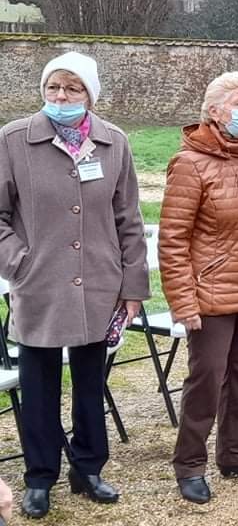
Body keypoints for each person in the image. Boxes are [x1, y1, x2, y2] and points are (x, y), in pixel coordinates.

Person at [0, 52, 148, 519]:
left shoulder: (113, 143)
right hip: (39, 284)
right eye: (53, 88)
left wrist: (133, 287)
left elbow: (129, 220)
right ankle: (39, 476)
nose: (61, 97)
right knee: (39, 382)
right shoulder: (13, 140)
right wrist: (20, 264)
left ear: (90, 94)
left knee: (90, 381)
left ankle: (88, 468)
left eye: (72, 88)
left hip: (100, 284)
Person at [159, 72, 238, 504]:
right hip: (211, 294)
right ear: (214, 111)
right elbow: (173, 239)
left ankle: (235, 454)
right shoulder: (190, 163)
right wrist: (183, 301)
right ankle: (190, 464)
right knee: (206, 379)